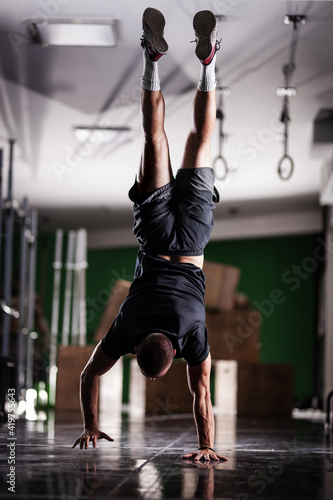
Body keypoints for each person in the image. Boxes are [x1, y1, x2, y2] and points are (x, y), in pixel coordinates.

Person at [73, 7, 227, 463]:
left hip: (194, 241)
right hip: (157, 236)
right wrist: (89, 424)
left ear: (172, 354)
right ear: (139, 347)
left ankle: (208, 62)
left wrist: (206, 446)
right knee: (153, 138)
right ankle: (152, 57)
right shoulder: (127, 329)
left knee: (200, 137)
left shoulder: (193, 337)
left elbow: (202, 395)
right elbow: (88, 376)